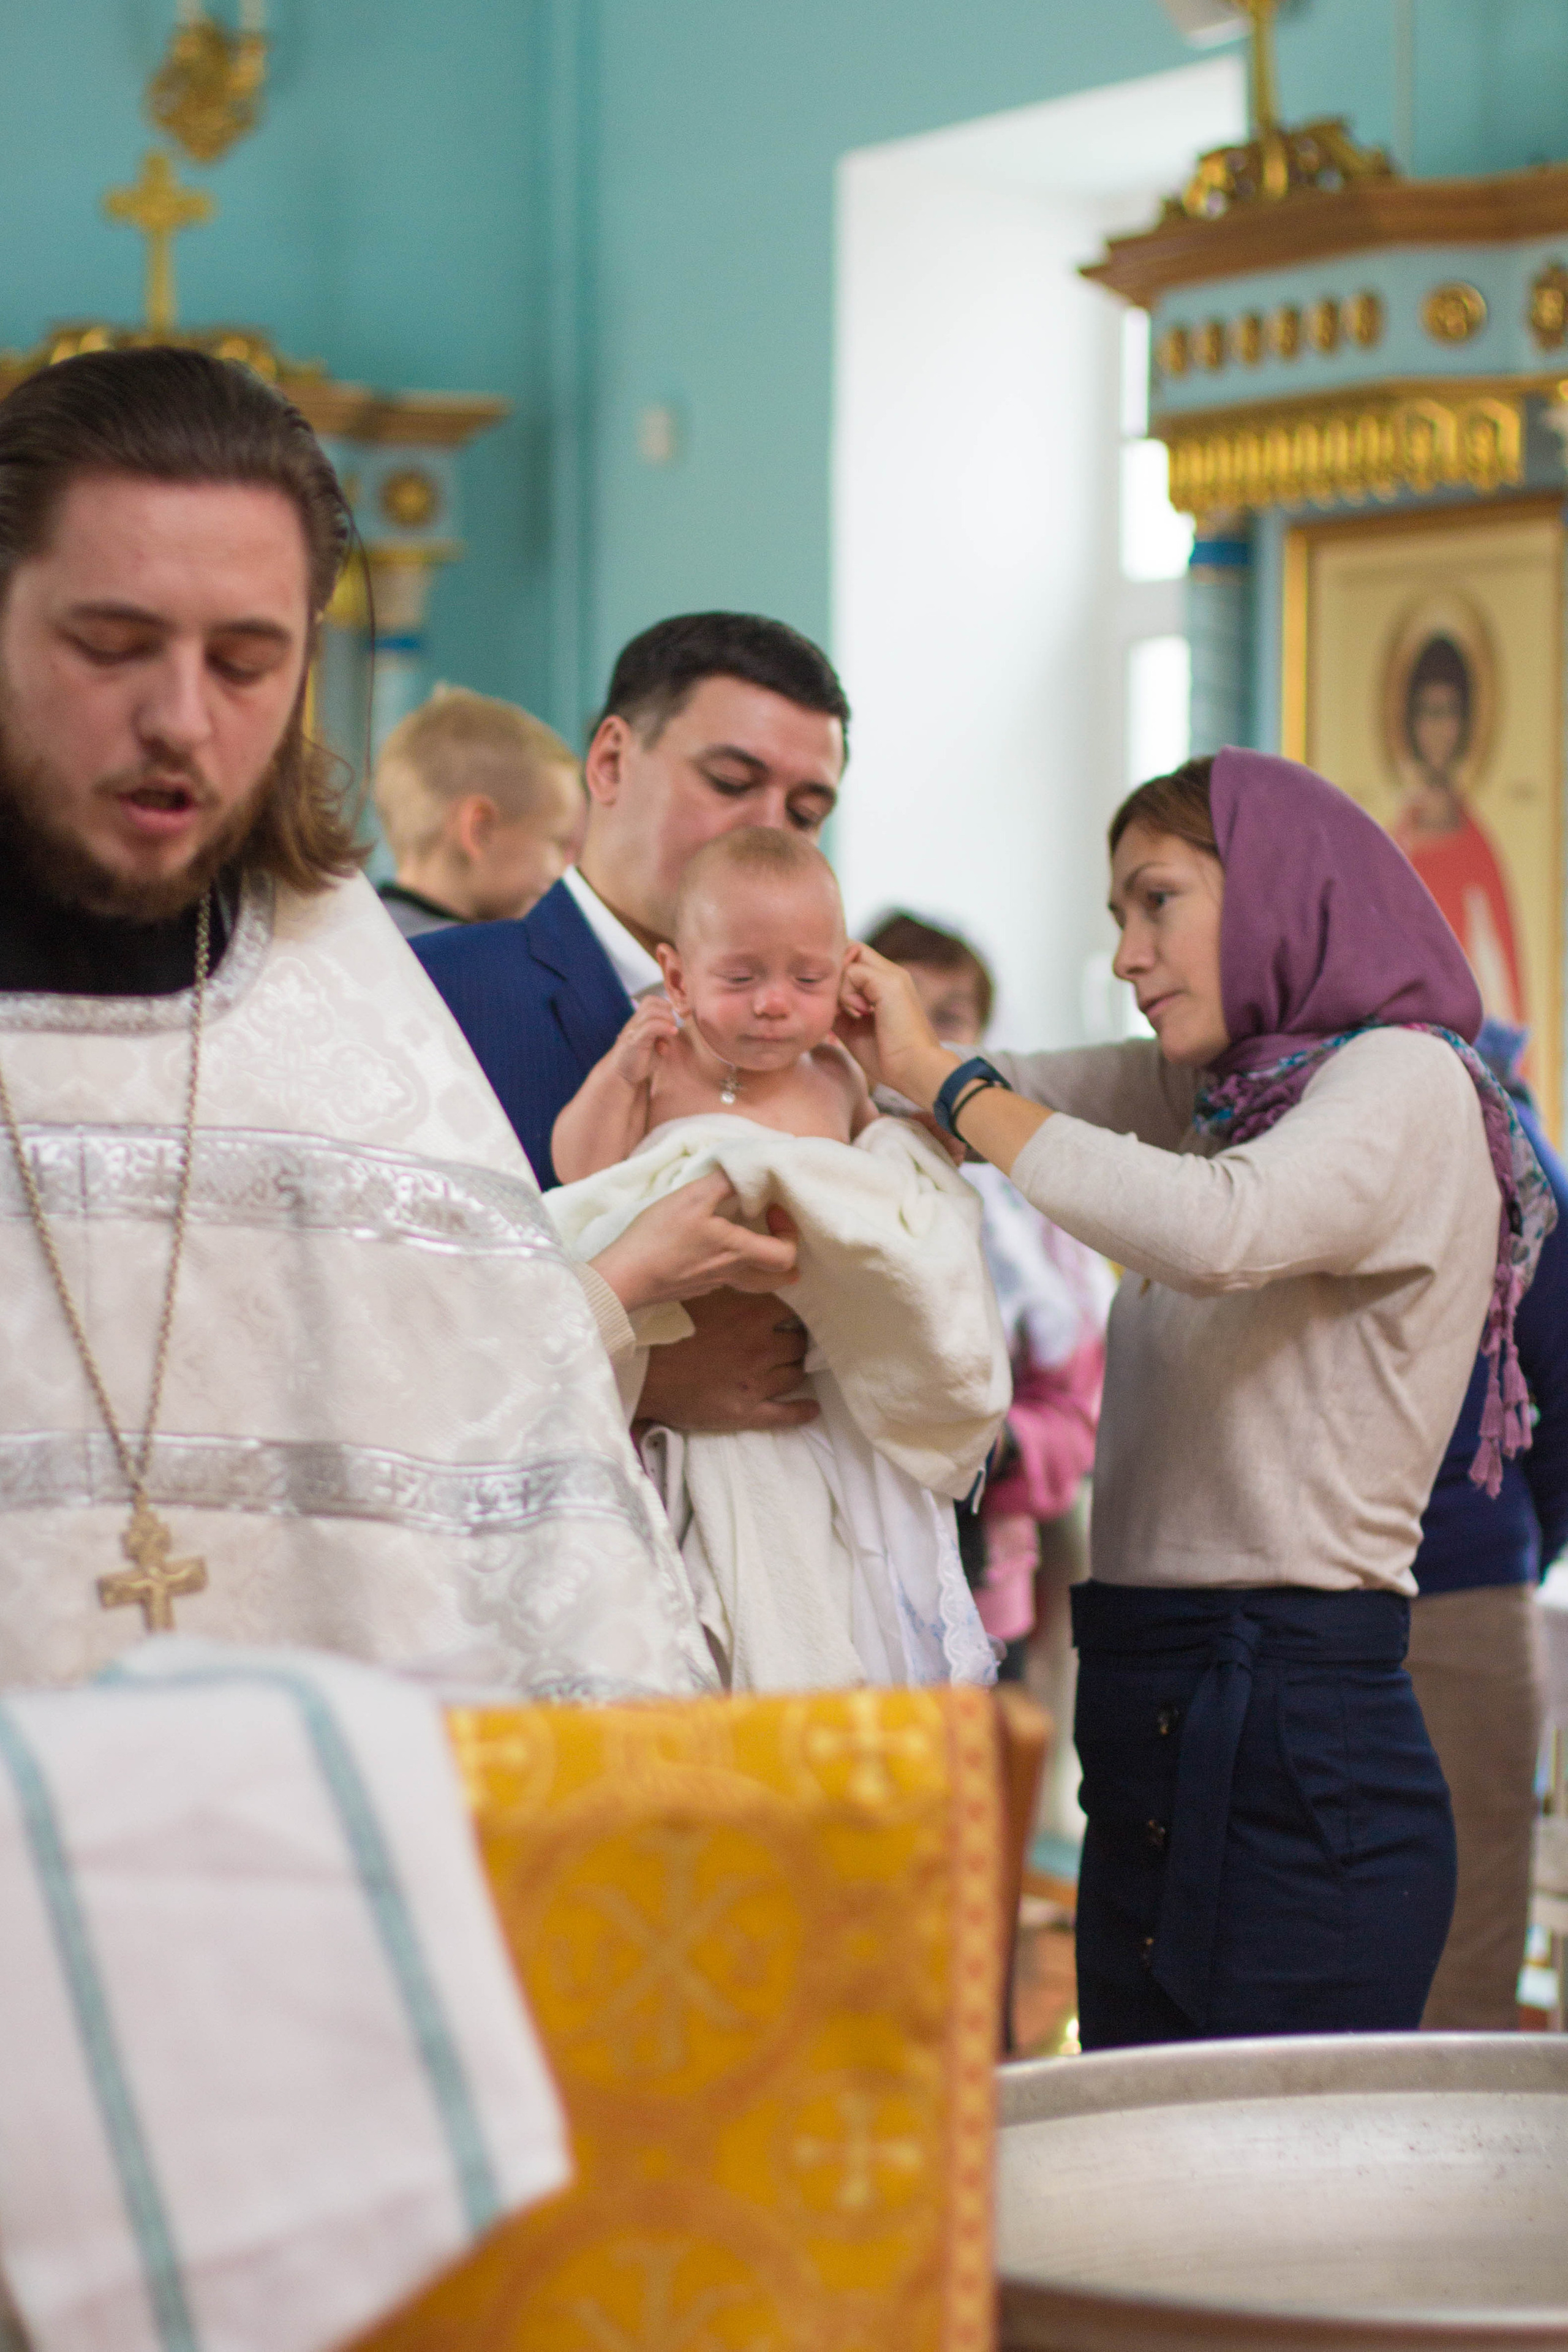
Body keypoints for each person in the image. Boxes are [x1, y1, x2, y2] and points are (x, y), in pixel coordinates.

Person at [0, 345, 802, 1696]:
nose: (181, 718)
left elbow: (504, 1482)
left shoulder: (355, 1031)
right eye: (111, 644)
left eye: (248, 660)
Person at [837, 748, 1553, 2050]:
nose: (1125, 951)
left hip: (1290, 1721)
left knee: (1270, 2218)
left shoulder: (1399, 1082)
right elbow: (995, 1089)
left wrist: (943, 1079)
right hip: (1163, 1694)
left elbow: (1214, 1230)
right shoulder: (1230, 1091)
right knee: (1153, 2157)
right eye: (1116, 915)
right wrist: (855, 1042)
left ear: (1276, 890)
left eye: (1153, 900)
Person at [546, 831, 1004, 1691]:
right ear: (678, 979)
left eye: (807, 979)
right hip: (697, 1358)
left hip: (814, 1373)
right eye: (741, 977)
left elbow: (889, 1190)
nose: (773, 1006)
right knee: (713, 1566)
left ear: (846, 977)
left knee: (838, 1566)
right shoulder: (662, 1063)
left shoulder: (833, 1071)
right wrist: (619, 1073)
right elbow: (585, 1174)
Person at [415, 611, 850, 1439]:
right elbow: (372, 1327)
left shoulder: (823, 1040)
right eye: (729, 782)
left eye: (804, 810)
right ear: (611, 761)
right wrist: (643, 1379)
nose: (767, 829)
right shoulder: (440, 994)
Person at [865, 913, 1109, 1684]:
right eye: (892, 1016)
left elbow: (1079, 1409)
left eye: (946, 1022)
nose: (916, 1051)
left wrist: (1003, 1446)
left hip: (983, 1589)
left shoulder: (1033, 1212)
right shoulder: (830, 1167)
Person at [1406, 1019, 1568, 2031]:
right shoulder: (1234, 1108)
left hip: (1456, 1591)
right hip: (1278, 1608)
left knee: (1459, 1973)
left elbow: (1562, 1393)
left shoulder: (1497, 1133)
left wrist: (1494, 1538)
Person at [374, 684, 585, 938]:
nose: (566, 871)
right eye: (559, 844)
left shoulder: (364, 940)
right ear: (479, 830)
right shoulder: (478, 969)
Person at [1392, 633, 1525, 1025]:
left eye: (1448, 711)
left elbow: (1498, 984)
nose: (1437, 727)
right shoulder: (1394, 843)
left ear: (1464, 722)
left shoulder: (1479, 850)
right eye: (1427, 712)